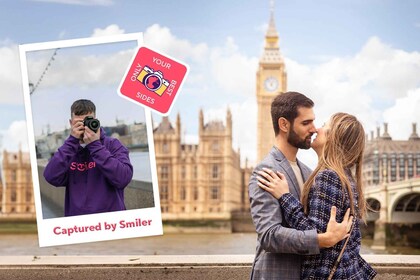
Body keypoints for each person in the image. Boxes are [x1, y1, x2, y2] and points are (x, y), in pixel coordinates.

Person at [258, 112, 377, 279]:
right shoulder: (346, 177)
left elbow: (314, 235)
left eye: (324, 126)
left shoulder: (328, 177)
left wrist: (284, 196)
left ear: (332, 138)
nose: (316, 129)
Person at [248, 92, 352, 279]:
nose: (313, 129)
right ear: (284, 124)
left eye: (313, 122)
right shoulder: (266, 170)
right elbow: (269, 236)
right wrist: (323, 240)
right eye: (306, 123)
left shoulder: (308, 171)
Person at [44, 99, 133, 217]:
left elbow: (124, 178)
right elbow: (51, 176)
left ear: (95, 121)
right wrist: (72, 142)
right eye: (79, 123)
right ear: (71, 123)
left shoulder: (112, 145)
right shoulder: (68, 151)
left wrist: (95, 145)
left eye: (88, 121)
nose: (85, 127)